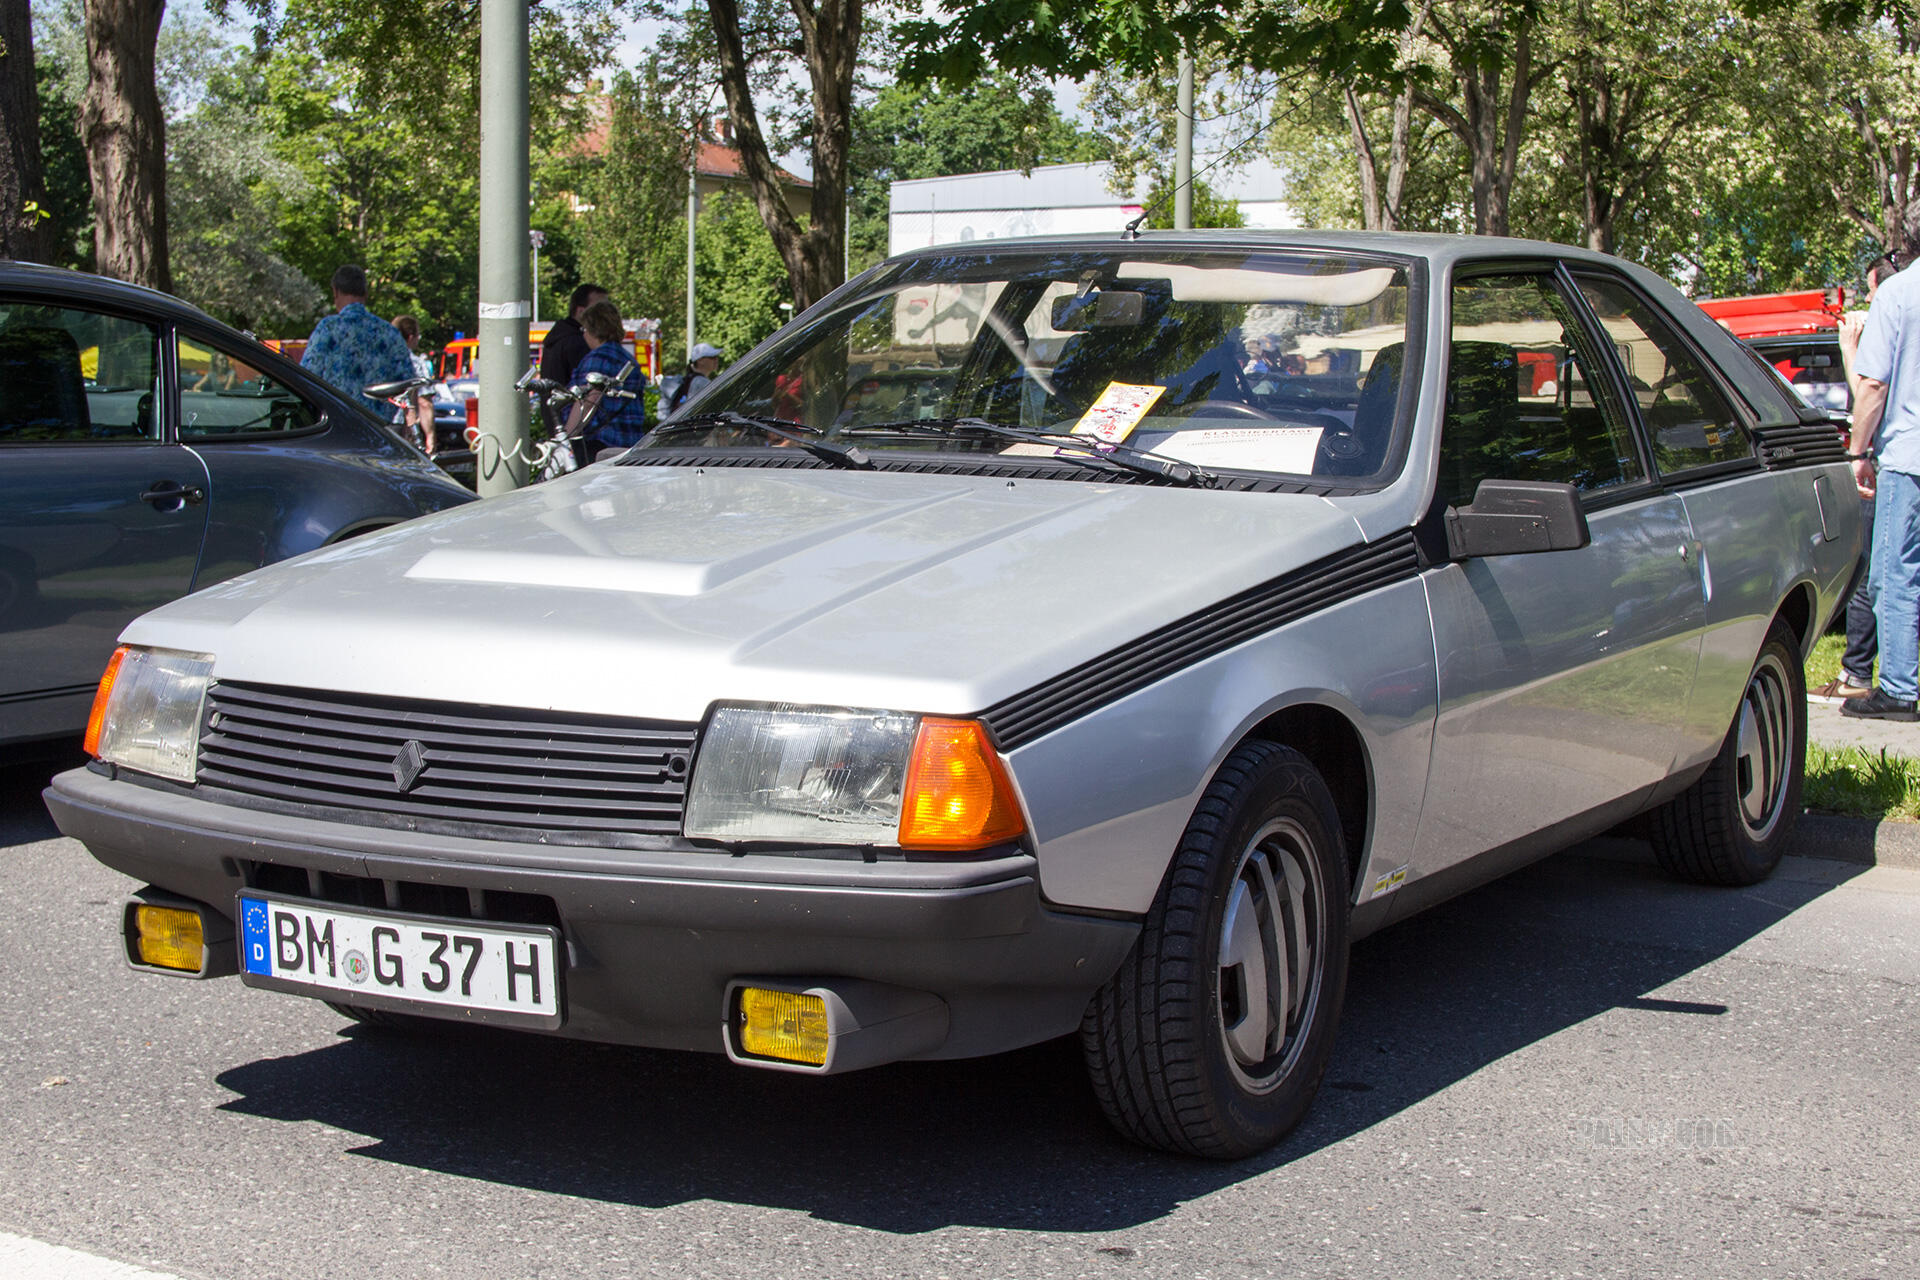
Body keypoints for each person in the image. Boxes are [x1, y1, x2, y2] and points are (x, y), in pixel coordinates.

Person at [1817, 256, 1900, 701]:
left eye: (1870, 290)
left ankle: (1857, 674)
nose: (1867, 299)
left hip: (1890, 463)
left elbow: (1869, 391)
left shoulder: (1894, 310)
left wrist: (1850, 348)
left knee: (1870, 572)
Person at [1845, 248, 1920, 720]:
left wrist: (1857, 452)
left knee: (1894, 574)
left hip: (1909, 458)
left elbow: (1873, 386)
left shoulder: (1897, 294)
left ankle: (1896, 687)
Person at [301, 265, 414, 419]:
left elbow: (307, 377)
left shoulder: (328, 329)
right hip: (377, 430)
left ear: (335, 291)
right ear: (365, 294)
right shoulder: (389, 333)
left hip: (336, 426)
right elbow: (407, 382)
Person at [567, 299, 649, 463]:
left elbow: (590, 399)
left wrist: (567, 435)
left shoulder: (597, 358)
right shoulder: (629, 360)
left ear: (593, 329)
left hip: (600, 445)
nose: (583, 334)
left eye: (585, 329)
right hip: (629, 444)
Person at [539, 282, 609, 388]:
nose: (606, 314)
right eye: (599, 309)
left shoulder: (558, 336)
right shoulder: (577, 342)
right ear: (581, 311)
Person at [392, 314, 437, 456]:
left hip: (373, 422)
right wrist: (430, 436)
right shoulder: (416, 363)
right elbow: (424, 403)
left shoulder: (381, 359)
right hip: (402, 425)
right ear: (411, 337)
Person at [660, 341, 724, 418]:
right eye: (712, 357)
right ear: (700, 360)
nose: (716, 360)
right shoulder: (701, 382)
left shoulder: (689, 379)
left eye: (717, 357)